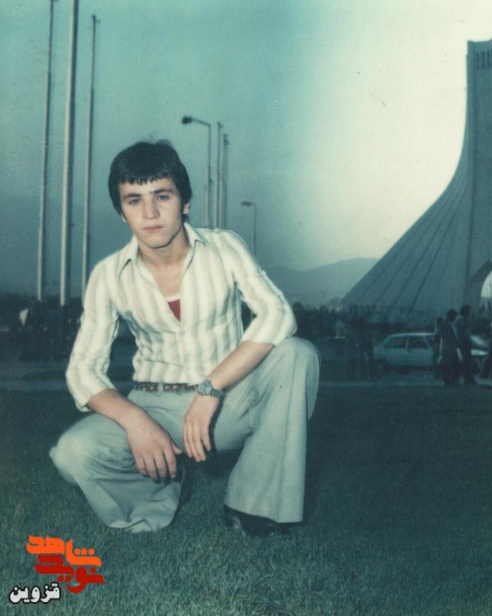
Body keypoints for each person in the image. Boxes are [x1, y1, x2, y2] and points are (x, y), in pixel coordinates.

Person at [50, 140, 320, 537]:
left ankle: (252, 507)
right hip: (153, 405)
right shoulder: (108, 275)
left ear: (186, 201)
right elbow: (82, 372)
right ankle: (158, 490)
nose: (150, 213)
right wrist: (135, 420)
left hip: (226, 404)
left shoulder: (225, 247)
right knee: (71, 453)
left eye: (162, 196)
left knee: (297, 355)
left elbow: (277, 314)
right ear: (121, 212)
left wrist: (211, 388)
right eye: (134, 200)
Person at [455, 304, 477, 385]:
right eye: (468, 311)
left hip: (464, 341)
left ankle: (468, 379)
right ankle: (467, 379)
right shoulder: (461, 319)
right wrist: (471, 321)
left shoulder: (462, 319)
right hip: (463, 342)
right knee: (466, 361)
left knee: (467, 361)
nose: (469, 313)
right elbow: (465, 328)